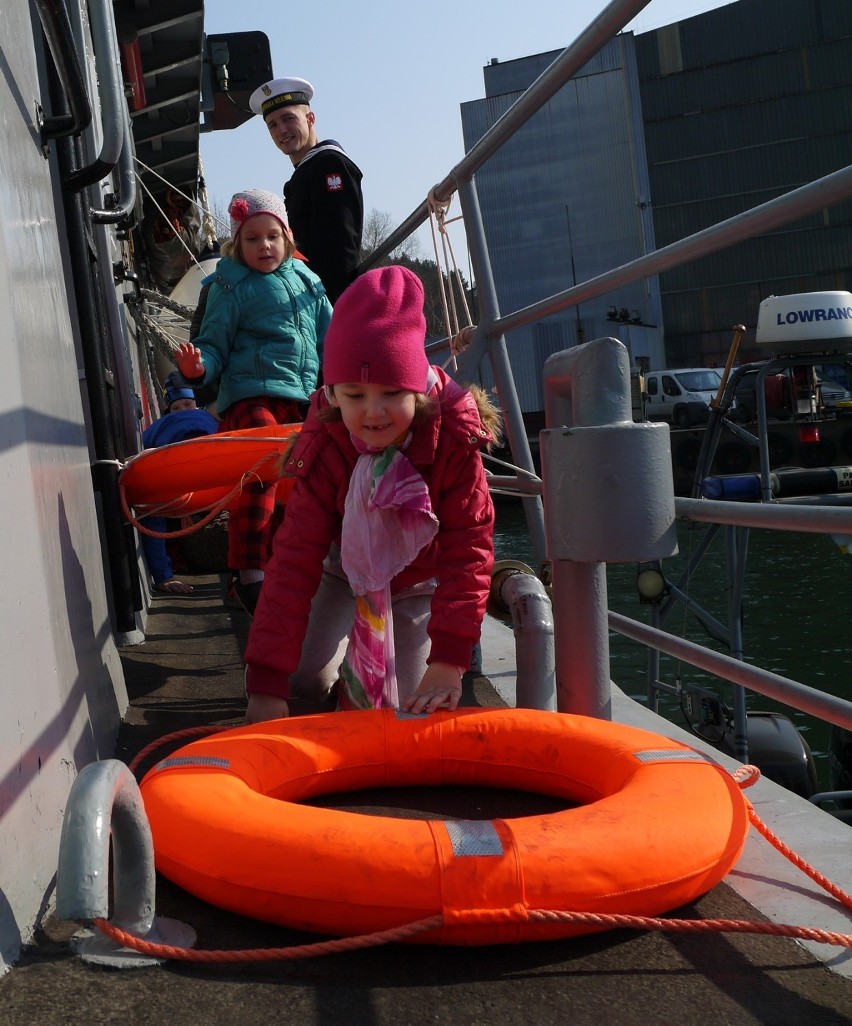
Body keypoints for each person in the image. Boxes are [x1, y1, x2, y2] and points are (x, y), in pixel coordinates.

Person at [243, 265, 500, 724]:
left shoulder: (452, 442)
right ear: (333, 392)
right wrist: (266, 679)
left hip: (419, 579)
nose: (373, 412)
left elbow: (469, 548)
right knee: (303, 680)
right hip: (341, 571)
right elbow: (295, 558)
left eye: (392, 392)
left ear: (417, 388)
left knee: (408, 697)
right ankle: (344, 662)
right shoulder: (327, 445)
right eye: (355, 394)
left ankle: (377, 661)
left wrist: (450, 657)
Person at [176, 188, 333, 615]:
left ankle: (286, 563)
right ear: (236, 244)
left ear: (287, 238)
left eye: (271, 237)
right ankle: (249, 570)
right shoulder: (231, 286)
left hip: (299, 396)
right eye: (252, 239)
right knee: (263, 463)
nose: (263, 246)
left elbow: (331, 338)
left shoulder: (308, 283)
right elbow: (213, 343)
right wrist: (198, 369)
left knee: (301, 476)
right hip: (250, 393)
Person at [248, 77, 363, 303]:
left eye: (288, 119)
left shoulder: (329, 164)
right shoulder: (308, 170)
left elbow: (337, 250)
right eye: (272, 124)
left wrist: (320, 309)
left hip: (321, 303)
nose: (281, 130)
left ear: (310, 119)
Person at [139, 376, 219, 594]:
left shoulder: (204, 423)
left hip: (192, 487)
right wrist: (163, 576)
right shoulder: (175, 429)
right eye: (176, 407)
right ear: (168, 410)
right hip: (173, 482)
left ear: (196, 404)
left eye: (187, 404)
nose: (183, 411)